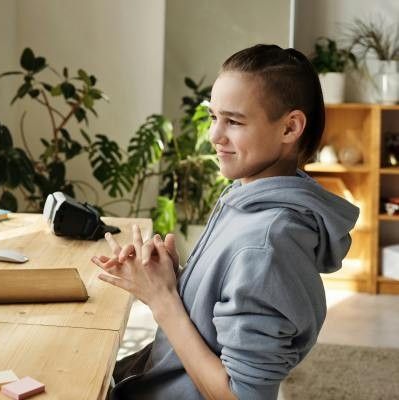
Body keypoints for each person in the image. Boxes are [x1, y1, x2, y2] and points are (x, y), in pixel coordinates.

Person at [92, 44, 359, 400]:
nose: (214, 136)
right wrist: (176, 280)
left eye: (233, 121)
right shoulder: (247, 198)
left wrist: (163, 300)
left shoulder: (267, 244)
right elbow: (226, 309)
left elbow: (242, 396)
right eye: (213, 116)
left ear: (290, 127)